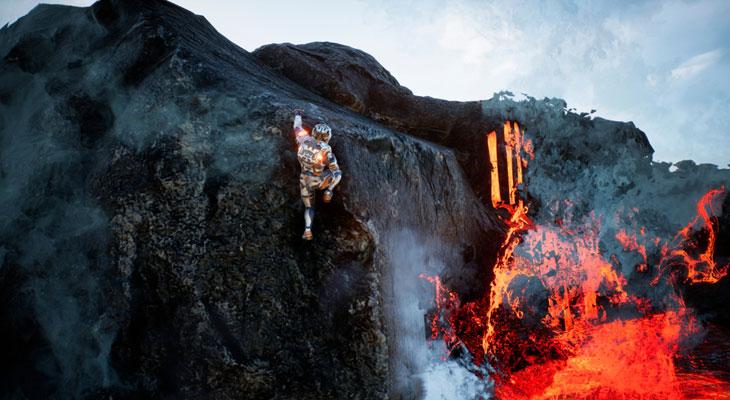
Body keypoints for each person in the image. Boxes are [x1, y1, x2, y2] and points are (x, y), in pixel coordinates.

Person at [293, 109, 342, 240]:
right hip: (318, 180)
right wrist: (329, 187)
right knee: (338, 173)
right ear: (327, 136)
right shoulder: (327, 150)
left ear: (314, 133)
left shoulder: (303, 139)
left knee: (309, 206)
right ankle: (329, 192)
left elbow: (297, 127)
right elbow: (334, 168)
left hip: (304, 180)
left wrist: (298, 114)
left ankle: (307, 230)